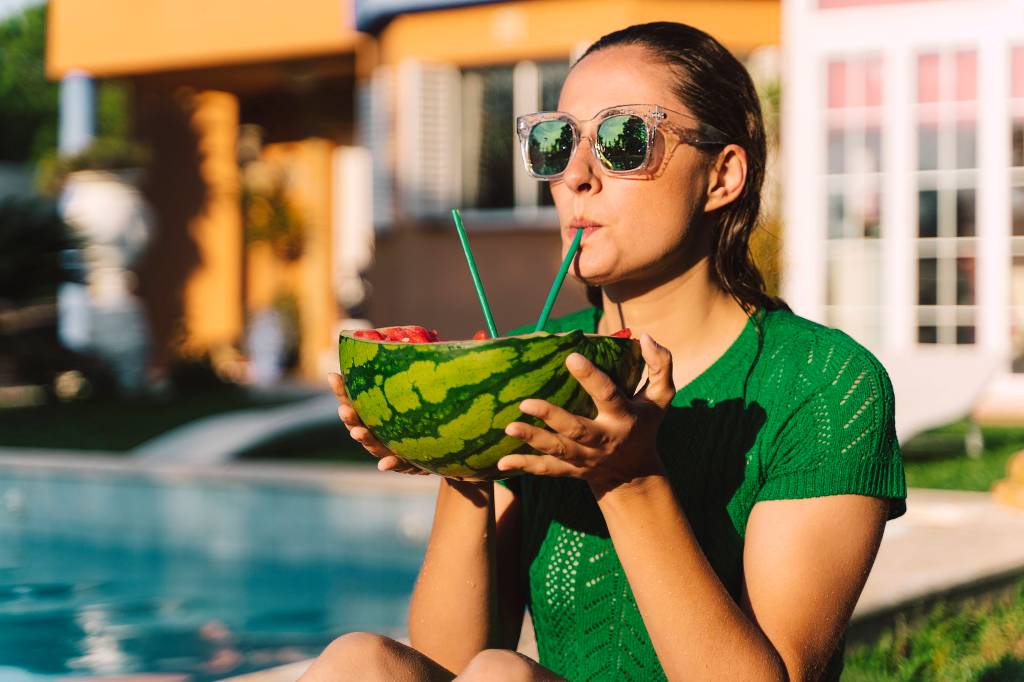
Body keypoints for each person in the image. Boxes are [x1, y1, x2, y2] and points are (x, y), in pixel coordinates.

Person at [302, 21, 907, 682]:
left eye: (623, 140)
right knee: (357, 661)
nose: (576, 175)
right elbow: (452, 663)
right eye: (556, 141)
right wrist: (461, 462)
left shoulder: (824, 384)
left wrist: (627, 479)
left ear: (722, 176)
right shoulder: (538, 365)